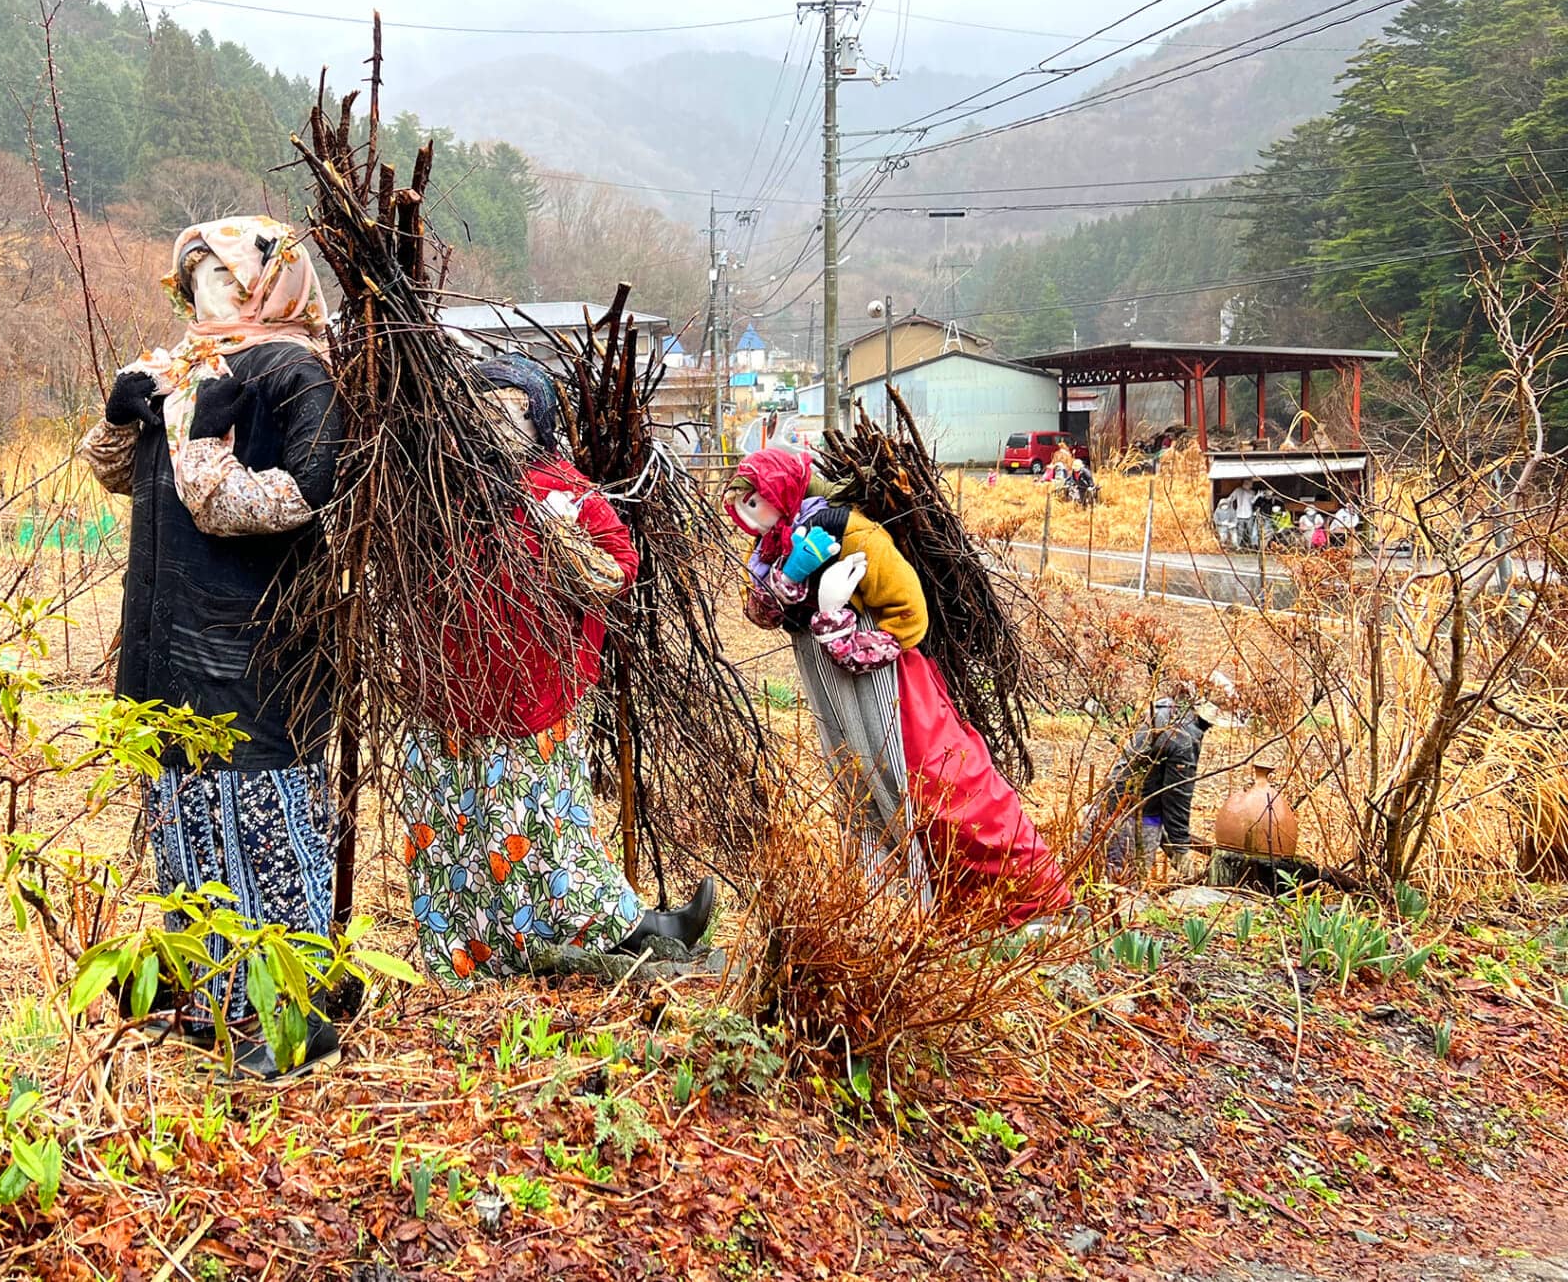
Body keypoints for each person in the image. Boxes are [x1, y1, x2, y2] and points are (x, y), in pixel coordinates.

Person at [80, 214, 343, 1079]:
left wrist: (201, 449)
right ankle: (213, 999)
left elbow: (302, 497)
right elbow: (123, 475)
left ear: (272, 281)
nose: (205, 291)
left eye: (224, 276)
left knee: (263, 827)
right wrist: (122, 424)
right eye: (193, 275)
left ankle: (294, 1014)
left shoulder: (299, 370)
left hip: (255, 652)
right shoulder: (185, 367)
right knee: (186, 823)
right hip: (166, 635)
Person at [402, 354, 716, 987]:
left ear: (538, 418)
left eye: (511, 412)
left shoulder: (563, 488)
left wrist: (560, 537)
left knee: (542, 825)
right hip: (449, 696)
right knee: (455, 828)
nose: (495, 425)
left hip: (536, 695)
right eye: (483, 411)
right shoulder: (445, 486)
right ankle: (471, 949)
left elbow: (619, 569)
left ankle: (619, 927)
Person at [726, 448, 1071, 928]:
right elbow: (761, 611)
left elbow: (910, 616)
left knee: (940, 783)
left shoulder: (846, 531)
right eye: (739, 505)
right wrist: (789, 581)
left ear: (780, 492)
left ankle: (1029, 895)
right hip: (834, 692)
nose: (745, 516)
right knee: (861, 790)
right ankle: (901, 909)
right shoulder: (770, 551)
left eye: (752, 502)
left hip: (890, 685)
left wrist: (836, 623)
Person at [1094, 695, 1218, 884]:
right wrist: (1181, 849)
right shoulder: (1185, 740)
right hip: (1140, 817)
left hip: (1112, 799)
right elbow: (1177, 796)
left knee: (1103, 876)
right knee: (1128, 885)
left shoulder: (1163, 709)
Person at [1225, 482, 1259, 551]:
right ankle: (1238, 546)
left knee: (1250, 531)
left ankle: (1250, 546)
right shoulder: (1238, 490)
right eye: (1245, 483)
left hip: (1249, 514)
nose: (1246, 485)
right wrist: (1225, 502)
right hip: (1240, 514)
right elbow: (1231, 497)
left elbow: (1253, 501)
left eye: (1248, 484)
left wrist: (1257, 495)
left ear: (1251, 485)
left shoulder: (1252, 492)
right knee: (1240, 531)